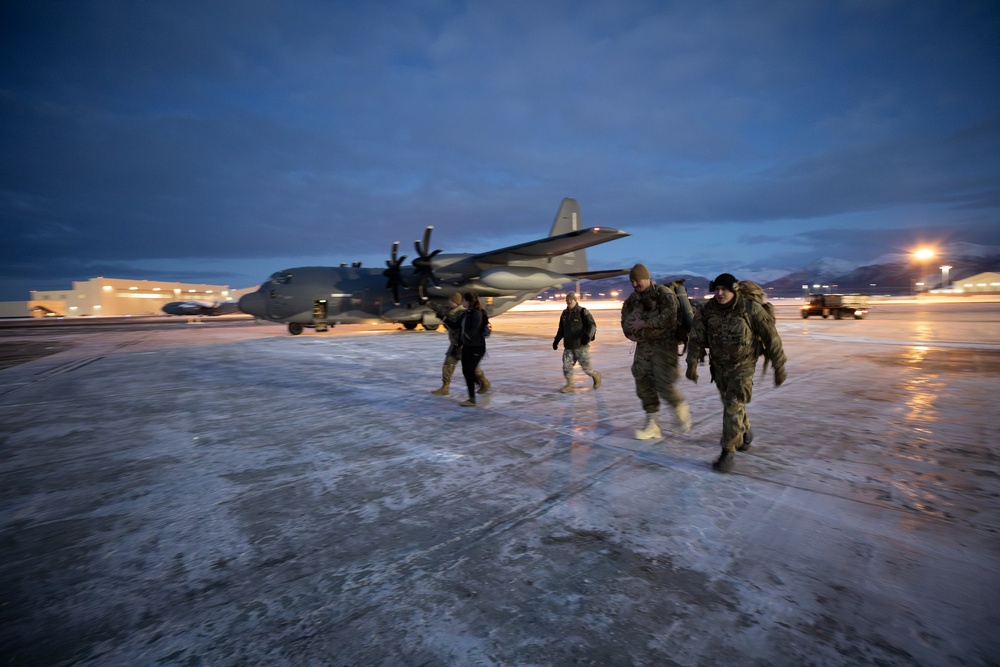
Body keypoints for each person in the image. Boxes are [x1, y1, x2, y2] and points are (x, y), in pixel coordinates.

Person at [685, 273, 787, 473]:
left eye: (725, 290)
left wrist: (779, 366)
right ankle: (745, 432)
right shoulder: (708, 311)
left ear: (734, 290)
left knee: (732, 405)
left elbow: (772, 338)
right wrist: (692, 364)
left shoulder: (750, 309)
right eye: (718, 290)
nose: (720, 293)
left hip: (744, 365)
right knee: (732, 404)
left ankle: (728, 451)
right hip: (720, 367)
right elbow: (696, 338)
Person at [620, 263, 691, 440]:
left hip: (664, 347)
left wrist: (644, 324)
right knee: (642, 382)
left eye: (638, 280)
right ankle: (652, 425)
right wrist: (631, 334)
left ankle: (680, 407)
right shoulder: (632, 300)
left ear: (647, 278)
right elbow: (624, 320)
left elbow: (670, 316)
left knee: (663, 383)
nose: (635, 284)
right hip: (643, 347)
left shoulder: (663, 294)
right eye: (632, 281)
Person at [427, 293, 489, 396]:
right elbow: (438, 307)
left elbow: (457, 326)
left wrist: (444, 318)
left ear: (455, 301)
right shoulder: (450, 310)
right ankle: (445, 387)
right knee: (448, 365)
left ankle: (483, 384)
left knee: (472, 369)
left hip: (464, 345)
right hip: (455, 344)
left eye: (449, 300)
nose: (447, 301)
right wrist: (426, 303)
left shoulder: (463, 313)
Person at [552, 292, 601, 393]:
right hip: (568, 346)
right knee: (566, 366)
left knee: (587, 368)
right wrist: (556, 340)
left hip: (581, 346)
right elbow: (561, 329)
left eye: (571, 299)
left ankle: (596, 375)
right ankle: (570, 385)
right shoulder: (564, 314)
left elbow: (592, 325)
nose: (569, 301)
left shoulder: (582, 311)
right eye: (567, 300)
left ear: (575, 300)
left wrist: (587, 337)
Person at [456, 292, 489, 407]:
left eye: (463, 300)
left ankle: (482, 384)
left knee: (470, 371)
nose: (461, 302)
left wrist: (466, 337)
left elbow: (474, 330)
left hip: (477, 347)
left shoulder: (476, 314)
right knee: (466, 371)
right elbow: (455, 325)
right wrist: (442, 316)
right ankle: (471, 399)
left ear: (468, 301)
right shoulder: (466, 314)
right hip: (467, 346)